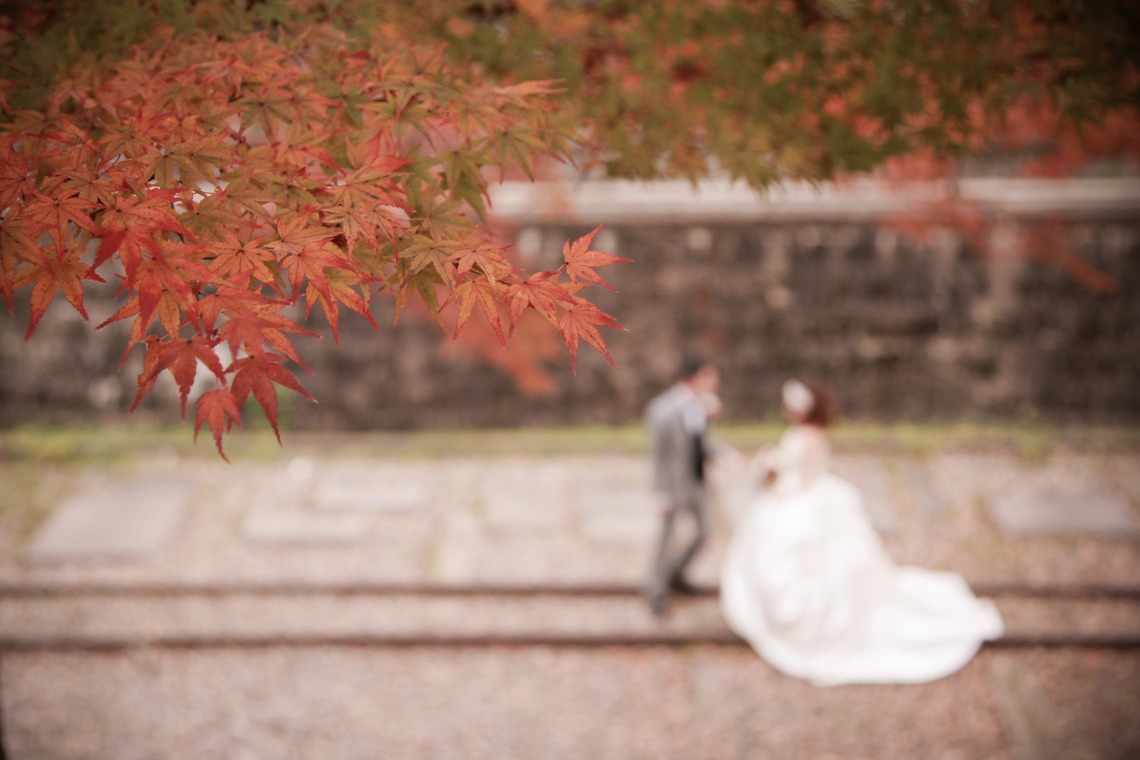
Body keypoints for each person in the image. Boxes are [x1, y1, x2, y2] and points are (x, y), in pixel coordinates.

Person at [720, 379, 1004, 686]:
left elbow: (805, 479)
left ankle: (810, 628)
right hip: (802, 495)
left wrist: (778, 487)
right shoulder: (804, 434)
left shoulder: (809, 438)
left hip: (804, 498)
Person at [644, 355, 722, 617]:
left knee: (704, 532)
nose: (715, 382)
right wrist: (659, 492)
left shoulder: (699, 406)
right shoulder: (662, 409)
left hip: (696, 481)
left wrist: (721, 455)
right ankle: (656, 590)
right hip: (673, 485)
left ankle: (676, 573)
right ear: (695, 377)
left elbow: (699, 443)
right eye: (710, 376)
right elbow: (659, 456)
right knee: (666, 539)